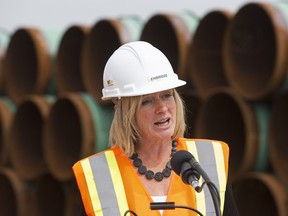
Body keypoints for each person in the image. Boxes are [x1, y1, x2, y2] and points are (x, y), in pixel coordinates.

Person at [72, 41, 239, 216]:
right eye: (147, 101)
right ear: (125, 113)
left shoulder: (209, 160)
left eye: (167, 95)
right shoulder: (96, 175)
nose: (162, 108)